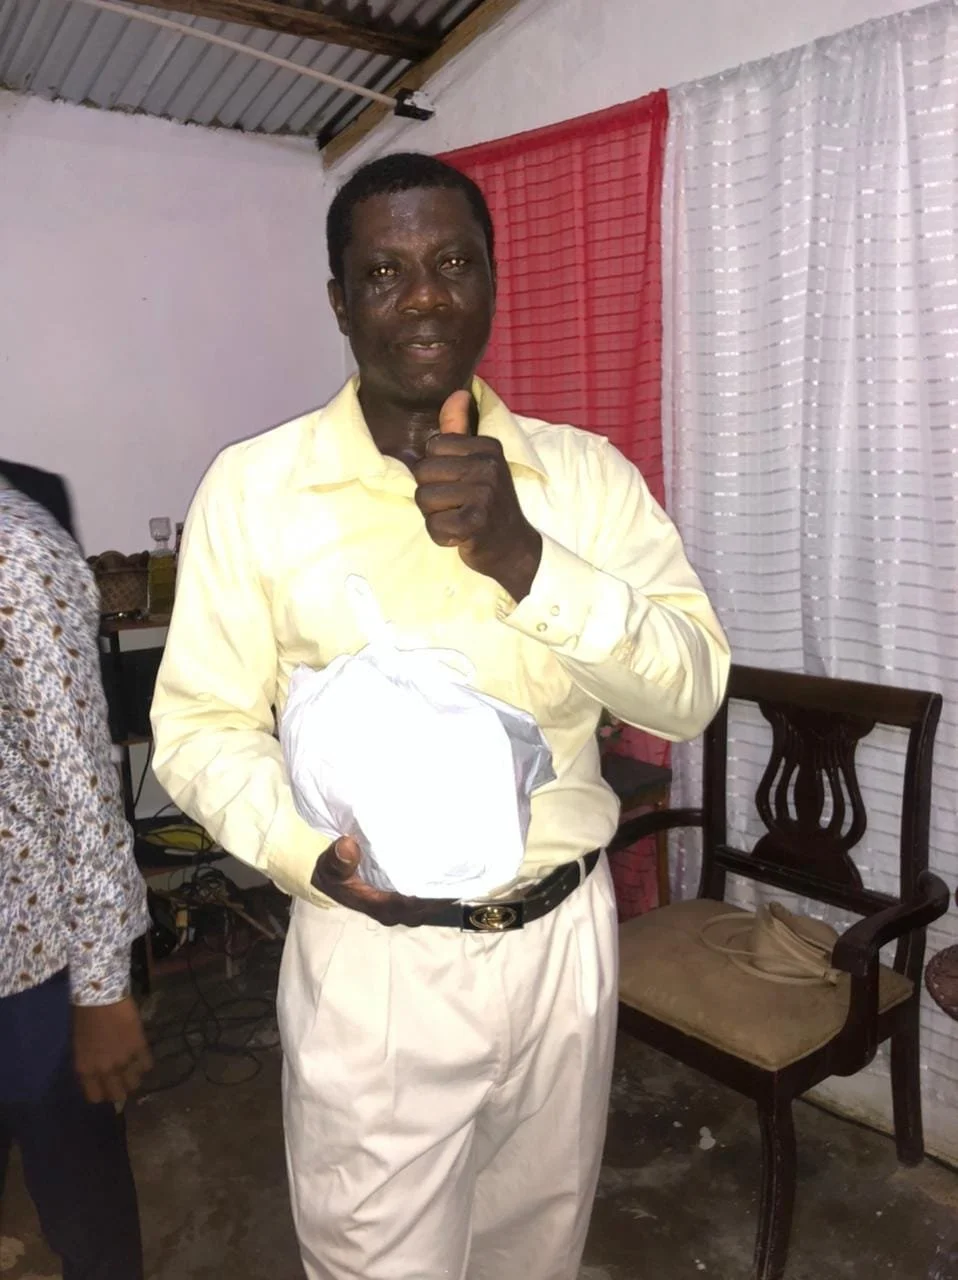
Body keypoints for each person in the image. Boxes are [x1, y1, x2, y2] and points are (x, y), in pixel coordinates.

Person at [151, 151, 731, 1280]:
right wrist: (302, 851)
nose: (424, 295)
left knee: (535, 1251)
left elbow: (692, 688)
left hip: (563, 944)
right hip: (377, 961)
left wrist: (523, 555)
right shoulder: (256, 490)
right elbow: (201, 725)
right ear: (340, 300)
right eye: (386, 271)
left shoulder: (585, 480)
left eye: (454, 262)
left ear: (492, 282)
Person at [0, 462, 151, 1280]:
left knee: (84, 1219)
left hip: (28, 968)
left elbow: (87, 794)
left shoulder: (16, 549)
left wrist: (102, 990)